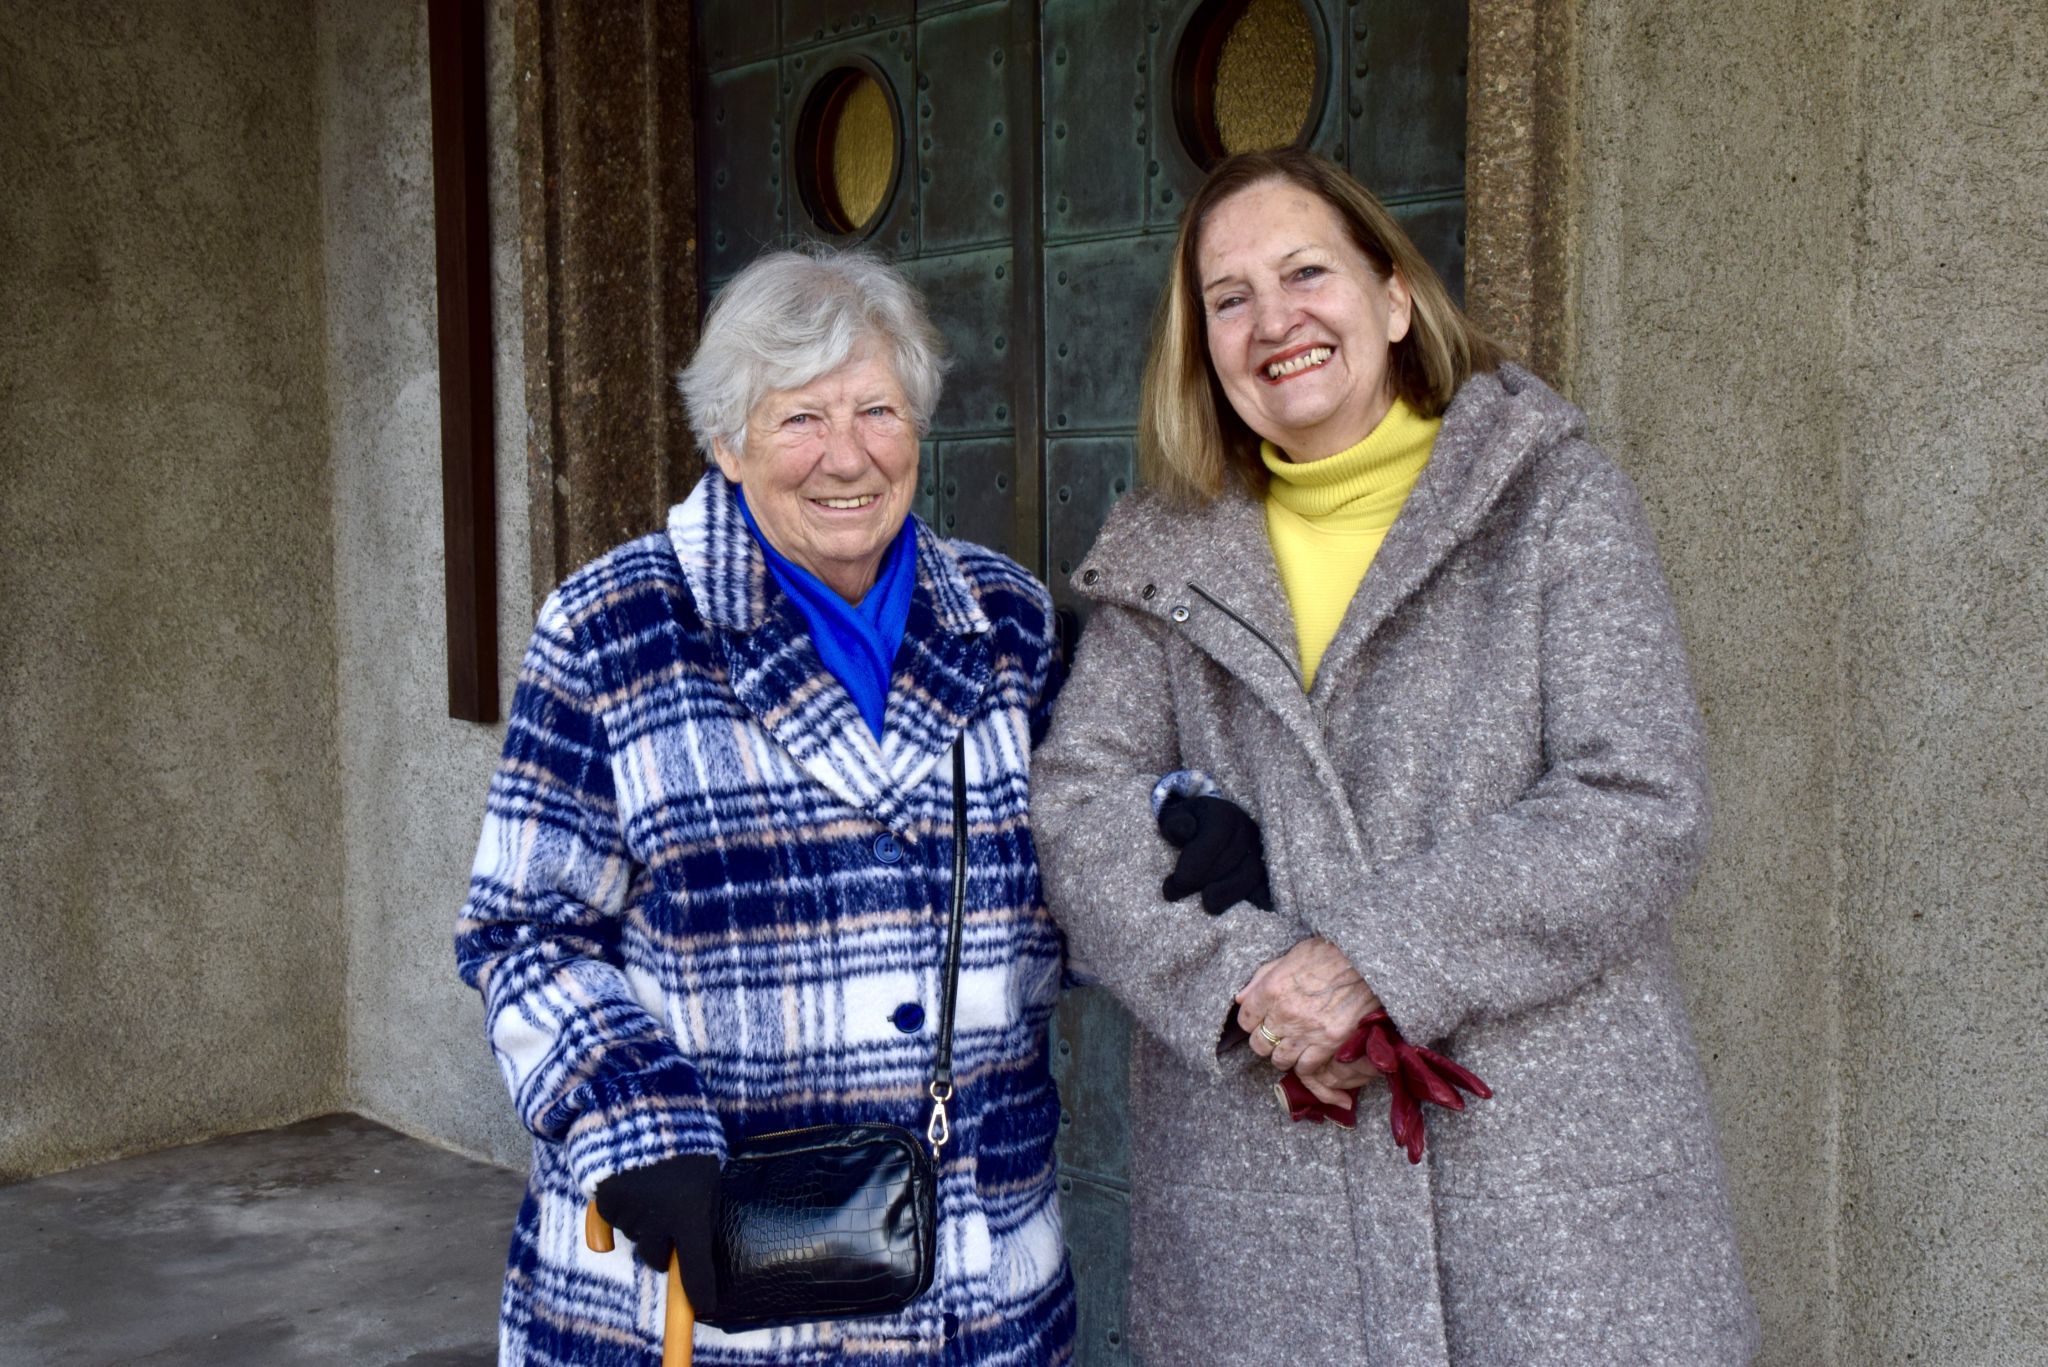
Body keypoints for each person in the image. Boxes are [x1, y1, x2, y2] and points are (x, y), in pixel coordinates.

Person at [1032, 148, 1759, 1364]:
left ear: (1391, 296)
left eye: (1305, 273)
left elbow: (1635, 797)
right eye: (1228, 298)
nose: (1274, 321)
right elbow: (1079, 806)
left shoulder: (1549, 501)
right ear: (1200, 346)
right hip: (1266, 1217)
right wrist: (1251, 983)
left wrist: (1368, 958)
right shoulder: (1165, 554)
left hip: (1546, 1199)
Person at [457, 249, 1075, 1366]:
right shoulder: (611, 629)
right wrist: (641, 1136)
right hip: (709, 1277)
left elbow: (1087, 842)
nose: (846, 454)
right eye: (799, 418)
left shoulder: (1005, 620)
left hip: (973, 1279)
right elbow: (525, 928)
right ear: (727, 442)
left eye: (877, 409)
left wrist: (1179, 826)